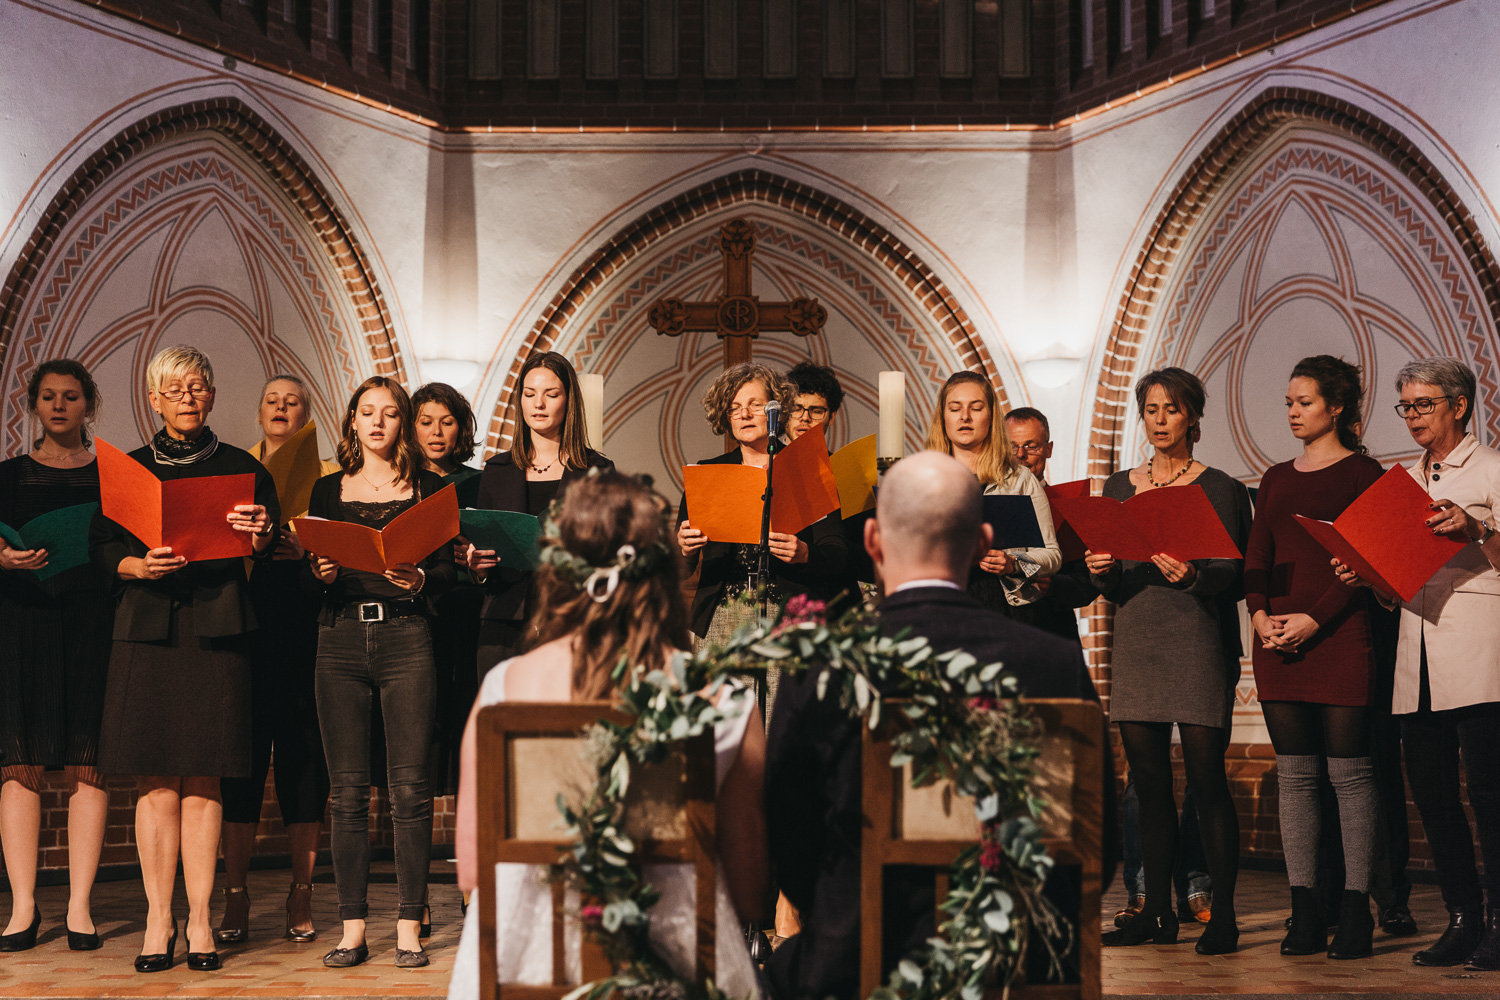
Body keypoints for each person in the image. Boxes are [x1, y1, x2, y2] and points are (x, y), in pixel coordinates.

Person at [764, 450, 1105, 1000]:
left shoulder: (824, 663)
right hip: (1018, 963)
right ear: (983, 542)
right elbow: (1096, 839)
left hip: (861, 959)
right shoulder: (1054, 664)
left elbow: (790, 837)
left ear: (872, 541)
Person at [447, 471, 768, 999]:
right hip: (677, 967)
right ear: (661, 569)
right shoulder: (723, 698)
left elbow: (473, 873)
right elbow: (752, 889)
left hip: (526, 967)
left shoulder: (505, 687)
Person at [90, 345, 279, 972]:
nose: (188, 396)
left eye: (198, 386)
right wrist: (136, 564)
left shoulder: (242, 466)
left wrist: (262, 531)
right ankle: (157, 918)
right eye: (174, 389)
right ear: (152, 397)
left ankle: (199, 919)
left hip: (217, 628)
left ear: (213, 394)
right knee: (154, 778)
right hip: (147, 629)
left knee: (204, 774)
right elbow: (100, 547)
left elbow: (271, 538)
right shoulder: (129, 468)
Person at [1334, 357, 1500, 971]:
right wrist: (1369, 575)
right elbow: (1397, 581)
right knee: (1431, 794)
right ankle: (1463, 918)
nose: (1411, 417)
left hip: (1480, 649)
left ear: (1459, 405)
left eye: (1423, 404)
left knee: (1488, 793)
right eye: (1404, 406)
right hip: (1418, 650)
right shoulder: (1401, 481)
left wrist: (1475, 525)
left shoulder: (1491, 469)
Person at [1085, 367, 1251, 955]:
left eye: (1171, 410)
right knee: (1149, 783)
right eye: (1151, 409)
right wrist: (1100, 572)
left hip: (1198, 640)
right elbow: (1113, 575)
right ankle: (1157, 911)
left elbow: (1235, 570)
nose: (1160, 420)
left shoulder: (1221, 486)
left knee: (1207, 783)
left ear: (1193, 417)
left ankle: (1224, 917)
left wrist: (1197, 575)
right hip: (1138, 640)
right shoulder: (1118, 486)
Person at [302, 376, 456, 970]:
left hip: (406, 636)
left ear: (402, 425)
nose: (377, 423)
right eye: (367, 413)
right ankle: (352, 927)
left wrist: (421, 580)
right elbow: (312, 568)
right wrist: (316, 574)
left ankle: (410, 927)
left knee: (410, 793)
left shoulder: (431, 488)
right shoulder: (325, 489)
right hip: (339, 638)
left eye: (390, 414)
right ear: (352, 423)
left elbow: (446, 569)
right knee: (345, 795)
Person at [1242, 356, 1385, 958]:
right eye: (1289, 403)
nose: (1294, 412)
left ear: (1338, 407)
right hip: (1275, 637)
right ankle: (1305, 908)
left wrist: (1313, 620)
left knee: (1349, 777)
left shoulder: (1364, 473)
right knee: (1297, 778)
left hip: (1340, 634)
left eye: (1304, 402)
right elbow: (1257, 555)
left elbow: (1365, 563)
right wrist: (1258, 615)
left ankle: (1355, 908)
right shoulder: (1275, 476)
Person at [216, 374, 334, 947]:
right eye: (272, 400)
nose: (282, 408)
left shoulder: (330, 478)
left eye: (292, 402)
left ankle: (301, 892)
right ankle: (235, 895)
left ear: (306, 413)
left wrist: (307, 547)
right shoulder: (236, 470)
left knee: (301, 760)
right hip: (244, 625)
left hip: (303, 630)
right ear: (258, 412)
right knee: (238, 761)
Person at [0, 360, 112, 953]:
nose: (60, 406)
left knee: (86, 760)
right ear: (35, 405)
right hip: (23, 620)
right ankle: (22, 907)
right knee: (20, 762)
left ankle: (79, 907)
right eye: (49, 397)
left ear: (87, 404)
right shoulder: (7, 474)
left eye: (71, 397)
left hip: (91, 621)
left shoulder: (110, 474)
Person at [677, 362, 847, 653]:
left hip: (790, 619)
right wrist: (684, 548)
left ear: (776, 411)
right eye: (734, 407)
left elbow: (838, 553)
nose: (743, 414)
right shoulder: (709, 475)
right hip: (723, 620)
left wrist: (805, 554)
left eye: (755, 405)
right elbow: (680, 569)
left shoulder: (805, 470)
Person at [466, 353, 612, 675]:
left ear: (569, 400)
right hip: (504, 617)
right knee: (501, 720)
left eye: (551, 394)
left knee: (563, 724)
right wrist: (478, 566)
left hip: (570, 620)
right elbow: (483, 555)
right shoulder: (497, 470)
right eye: (529, 394)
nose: (539, 404)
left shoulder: (596, 471)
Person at [924, 373, 1061, 621]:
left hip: (1007, 610)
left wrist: (1013, 563)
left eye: (976, 408)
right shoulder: (922, 479)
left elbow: (1051, 555)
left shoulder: (1019, 479)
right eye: (955, 409)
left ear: (991, 418)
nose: (965, 417)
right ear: (943, 418)